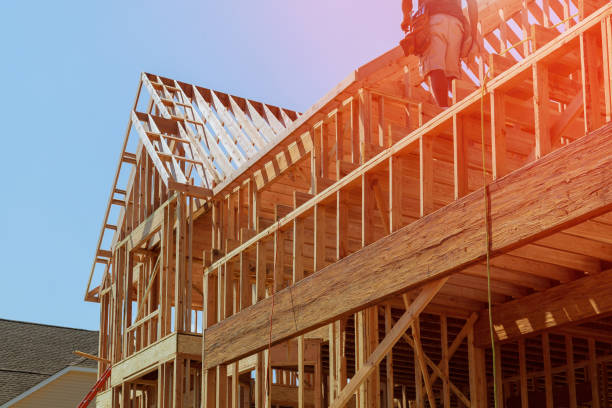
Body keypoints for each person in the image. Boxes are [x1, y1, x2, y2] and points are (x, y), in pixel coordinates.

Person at [401, 0, 479, 107]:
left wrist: (406, 16)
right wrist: (474, 39)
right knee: (451, 74)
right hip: (456, 23)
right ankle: (461, 111)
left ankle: (444, 109)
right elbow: (472, 4)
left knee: (435, 67)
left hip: (433, 18)